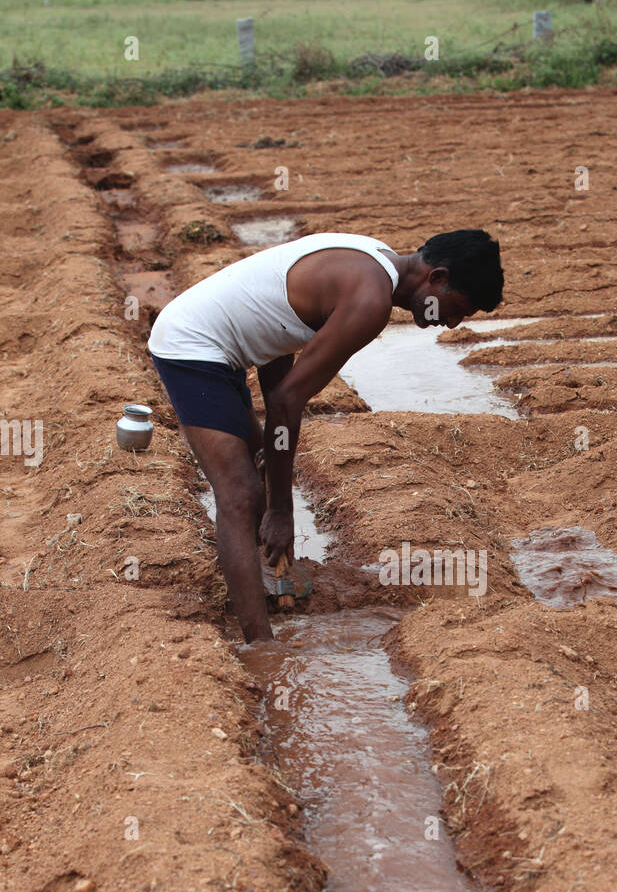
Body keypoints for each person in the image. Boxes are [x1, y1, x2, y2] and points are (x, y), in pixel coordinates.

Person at [148, 229, 504, 642]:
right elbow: (285, 400)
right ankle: (262, 647)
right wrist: (283, 510)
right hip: (192, 344)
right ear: (437, 278)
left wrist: (269, 455)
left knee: (258, 477)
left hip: (222, 345)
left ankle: (259, 588)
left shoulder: (372, 259)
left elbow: (275, 332)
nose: (453, 322)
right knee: (240, 495)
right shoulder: (369, 302)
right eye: (458, 308)